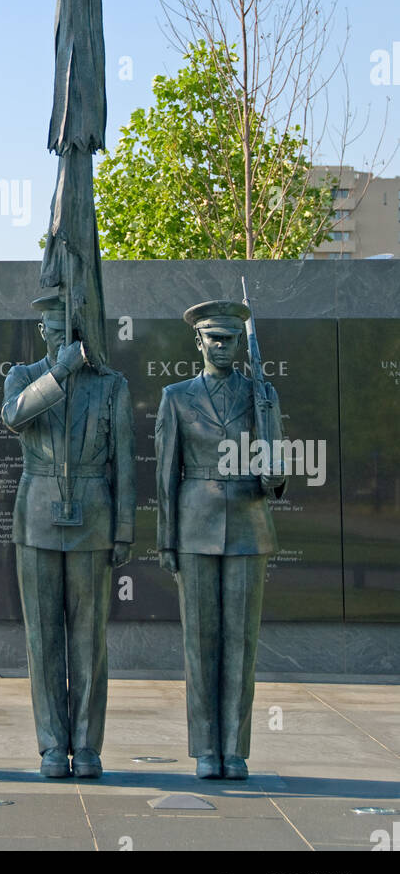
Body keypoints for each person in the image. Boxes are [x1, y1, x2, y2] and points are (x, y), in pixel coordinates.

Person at [1, 292, 135, 780]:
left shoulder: (110, 385)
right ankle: (53, 746)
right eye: (54, 333)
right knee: (43, 640)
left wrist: (123, 530)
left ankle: (88, 744)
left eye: (70, 334)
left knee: (89, 641)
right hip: (37, 519)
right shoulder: (23, 377)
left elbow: (123, 462)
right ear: (42, 332)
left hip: (93, 518)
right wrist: (57, 372)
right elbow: (14, 417)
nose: (63, 342)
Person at [155, 300, 286, 780]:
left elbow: (278, 464)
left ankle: (235, 748)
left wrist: (274, 471)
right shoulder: (176, 397)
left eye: (231, 339)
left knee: (241, 645)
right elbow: (167, 475)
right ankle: (205, 748)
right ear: (199, 341)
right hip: (194, 526)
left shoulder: (261, 395)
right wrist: (166, 540)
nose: (223, 347)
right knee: (200, 644)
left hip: (249, 525)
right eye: (215, 338)